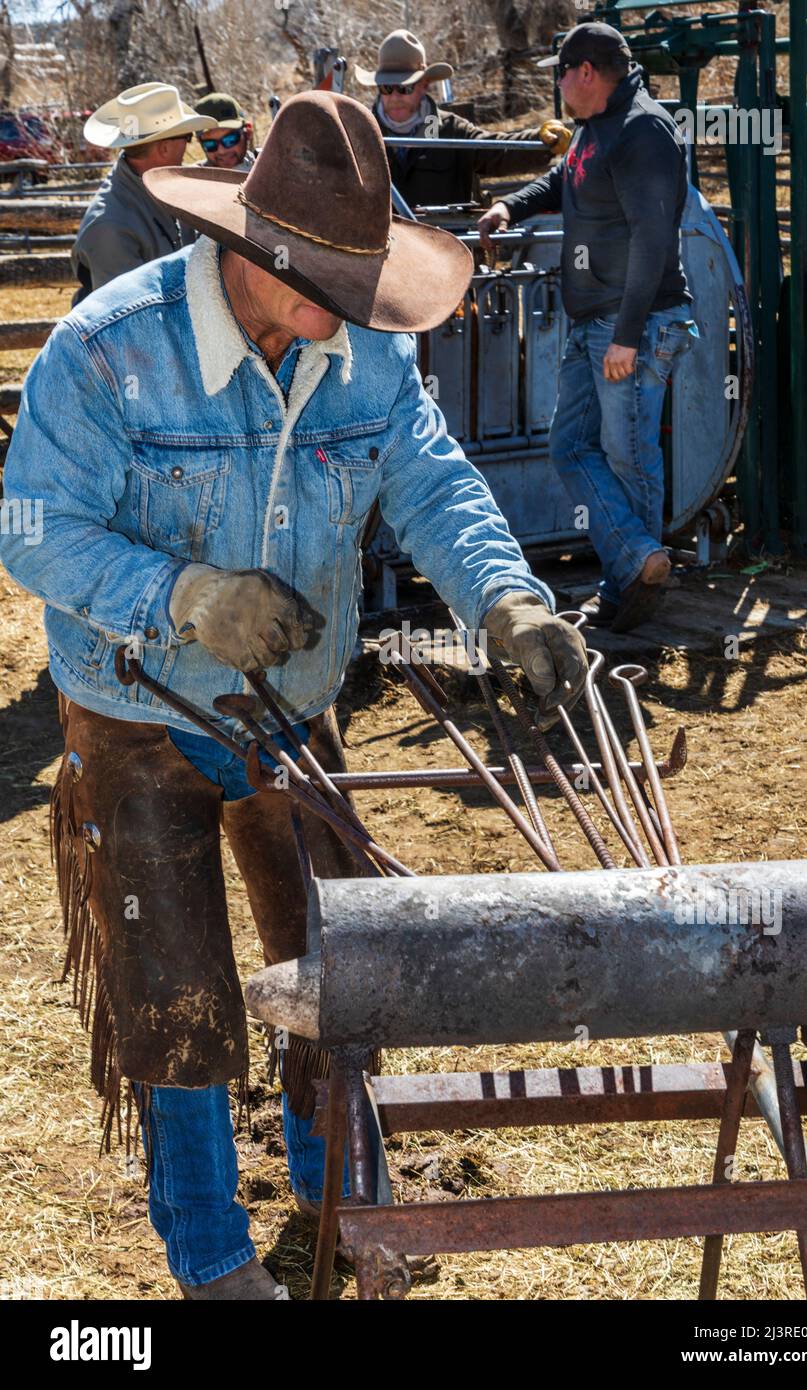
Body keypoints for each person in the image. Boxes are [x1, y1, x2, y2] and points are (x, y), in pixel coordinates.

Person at [0, 90, 588, 1300]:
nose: (347, 312)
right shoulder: (109, 349)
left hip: (292, 706)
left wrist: (504, 598)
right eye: (323, 279)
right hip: (141, 707)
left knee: (339, 970)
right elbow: (34, 530)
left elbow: (431, 479)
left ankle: (342, 1201)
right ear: (252, 251)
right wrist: (185, 594)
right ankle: (215, 1263)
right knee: (178, 1001)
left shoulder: (363, 347)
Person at [479, 22, 698, 632]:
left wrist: (627, 334)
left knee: (629, 458)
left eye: (560, 71)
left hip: (634, 323)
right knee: (571, 445)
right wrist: (510, 205)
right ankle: (636, 561)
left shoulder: (642, 131)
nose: (555, 82)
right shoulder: (595, 130)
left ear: (584, 72)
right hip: (592, 321)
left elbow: (653, 240)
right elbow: (563, 181)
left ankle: (631, 591)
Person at [356, 28, 572, 209]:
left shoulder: (451, 130)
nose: (394, 96)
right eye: (386, 87)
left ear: (424, 85)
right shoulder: (358, 134)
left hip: (445, 251)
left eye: (404, 87)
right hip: (379, 253)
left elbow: (497, 152)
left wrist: (541, 140)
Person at [71, 82, 211, 303]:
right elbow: (127, 323)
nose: (187, 147)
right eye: (187, 137)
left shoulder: (163, 188)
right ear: (163, 148)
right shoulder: (109, 228)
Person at [194, 91, 256, 171]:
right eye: (210, 145)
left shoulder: (270, 165)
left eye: (230, 140)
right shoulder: (194, 178)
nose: (221, 151)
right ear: (200, 142)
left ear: (248, 132)